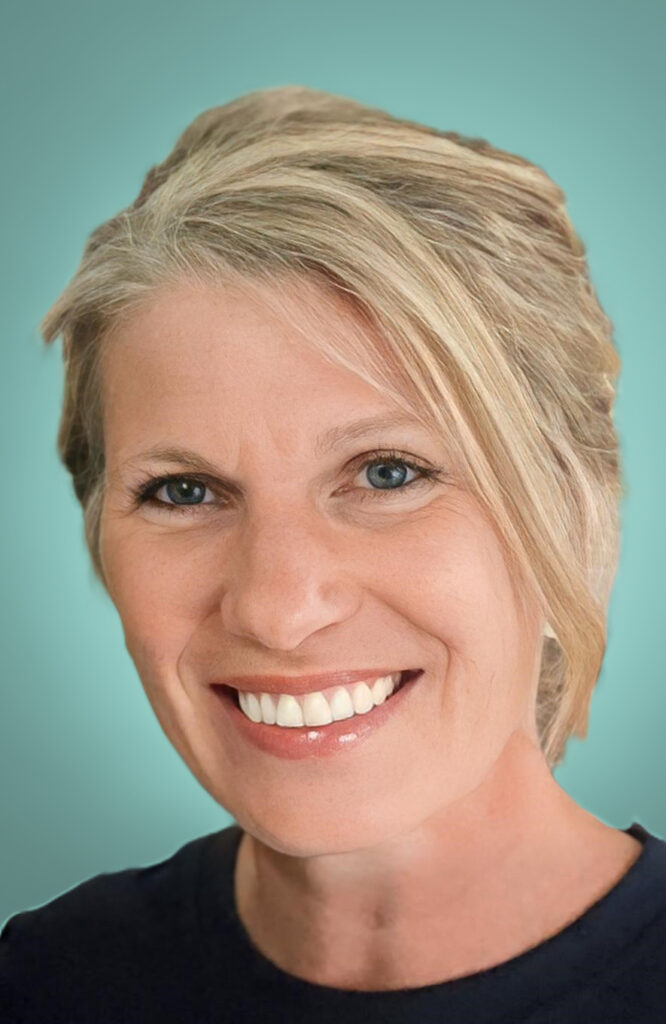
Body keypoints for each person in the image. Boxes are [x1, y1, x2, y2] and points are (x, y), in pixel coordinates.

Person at [2, 85, 665, 1023]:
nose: (278, 606)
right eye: (183, 492)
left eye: (388, 473)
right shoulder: (45, 981)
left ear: (567, 506)